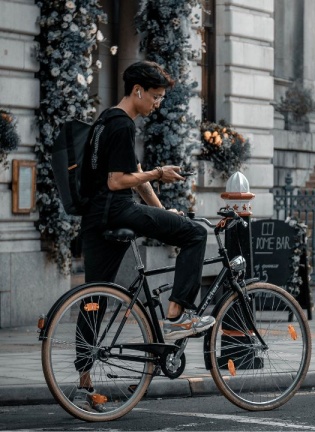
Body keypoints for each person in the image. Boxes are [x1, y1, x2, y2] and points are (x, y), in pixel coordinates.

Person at [73, 61, 215, 410]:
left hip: (95, 217)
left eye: (162, 98)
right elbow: (118, 181)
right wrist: (160, 172)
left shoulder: (106, 119)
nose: (158, 103)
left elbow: (133, 173)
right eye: (155, 96)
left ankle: (83, 382)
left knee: (96, 297)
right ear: (137, 91)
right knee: (195, 235)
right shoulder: (123, 126)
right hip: (117, 208)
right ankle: (176, 316)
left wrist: (162, 209)